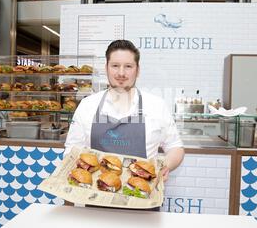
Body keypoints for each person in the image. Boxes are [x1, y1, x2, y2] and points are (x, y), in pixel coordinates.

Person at [65, 39, 185, 182]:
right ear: (106, 68)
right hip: (93, 194)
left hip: (143, 196)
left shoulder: (157, 106)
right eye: (115, 65)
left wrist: (166, 166)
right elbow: (72, 149)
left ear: (138, 70)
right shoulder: (87, 105)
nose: (121, 73)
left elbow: (175, 147)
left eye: (128, 66)